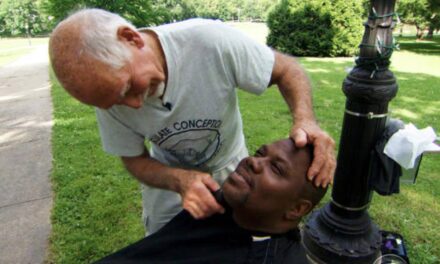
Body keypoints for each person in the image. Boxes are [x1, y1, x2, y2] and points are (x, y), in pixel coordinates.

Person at [49, 8, 336, 234]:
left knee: (235, 240)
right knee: (167, 246)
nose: (134, 105)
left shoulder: (209, 41)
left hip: (231, 166)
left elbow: (287, 70)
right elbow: (133, 158)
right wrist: (179, 180)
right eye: (117, 101)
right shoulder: (107, 93)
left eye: (127, 88)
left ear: (132, 38)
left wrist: (305, 119)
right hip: (167, 178)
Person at [96, 138, 327, 263]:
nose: (253, 162)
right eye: (259, 153)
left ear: (297, 208)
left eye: (275, 168)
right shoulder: (226, 205)